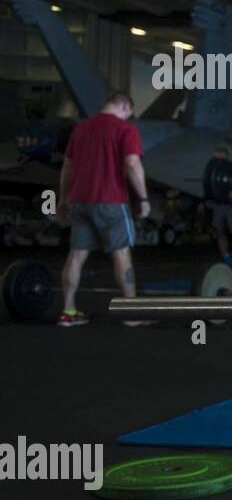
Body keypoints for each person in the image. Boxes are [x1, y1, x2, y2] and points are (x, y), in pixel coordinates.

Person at [55, 92, 150, 327]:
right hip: (111, 201)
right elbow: (132, 164)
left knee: (76, 255)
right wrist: (143, 198)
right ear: (125, 107)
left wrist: (64, 199)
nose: (129, 118)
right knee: (121, 254)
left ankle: (68, 311)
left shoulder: (81, 129)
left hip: (80, 201)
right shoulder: (126, 129)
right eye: (129, 113)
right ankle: (131, 314)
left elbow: (67, 167)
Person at [205, 146, 232, 265]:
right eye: (214, 157)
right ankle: (226, 257)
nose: (215, 159)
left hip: (230, 205)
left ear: (224, 155)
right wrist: (208, 199)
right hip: (217, 205)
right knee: (219, 231)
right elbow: (207, 184)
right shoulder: (210, 169)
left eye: (217, 156)